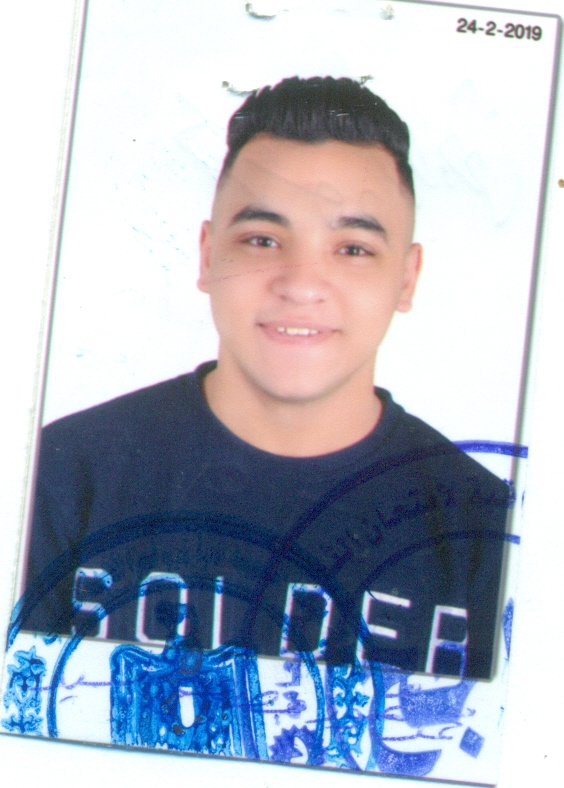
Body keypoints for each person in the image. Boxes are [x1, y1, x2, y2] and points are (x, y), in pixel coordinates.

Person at [19, 76, 510, 679]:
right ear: (208, 255)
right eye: (262, 239)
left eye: (353, 249)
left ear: (406, 279)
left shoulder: (488, 531)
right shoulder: (59, 476)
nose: (301, 284)